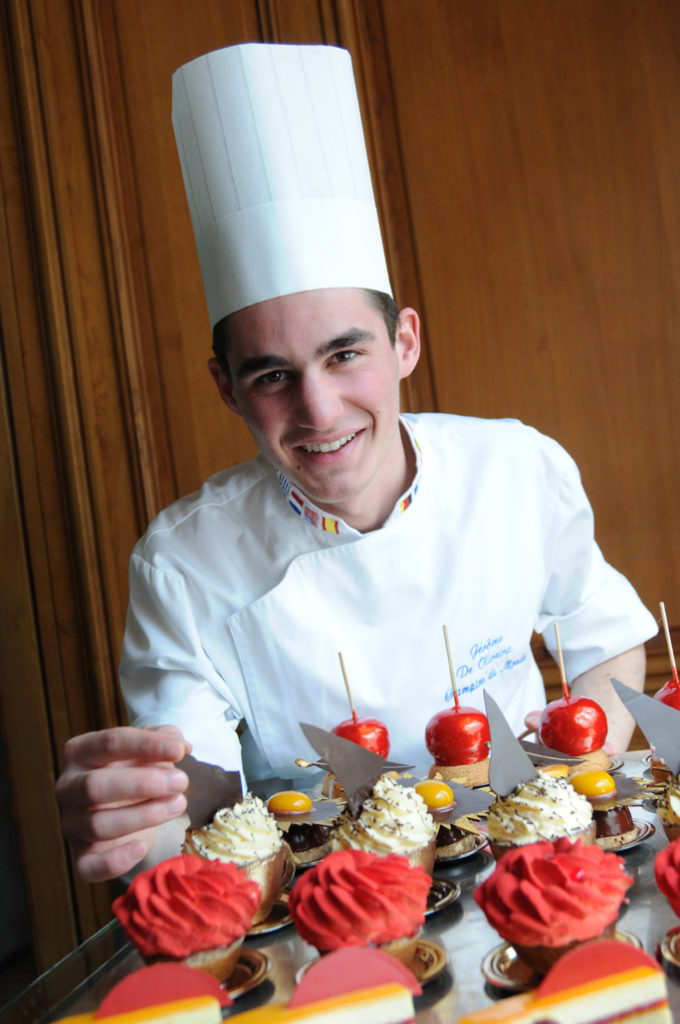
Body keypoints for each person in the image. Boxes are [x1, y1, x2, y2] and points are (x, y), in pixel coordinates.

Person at [55, 44, 656, 884]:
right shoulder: (182, 563)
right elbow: (190, 795)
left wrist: (568, 775)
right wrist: (135, 816)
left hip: (538, 869)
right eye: (272, 376)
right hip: (332, 917)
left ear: (404, 341)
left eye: (345, 355)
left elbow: (611, 639)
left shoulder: (516, 467)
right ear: (226, 388)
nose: (319, 411)